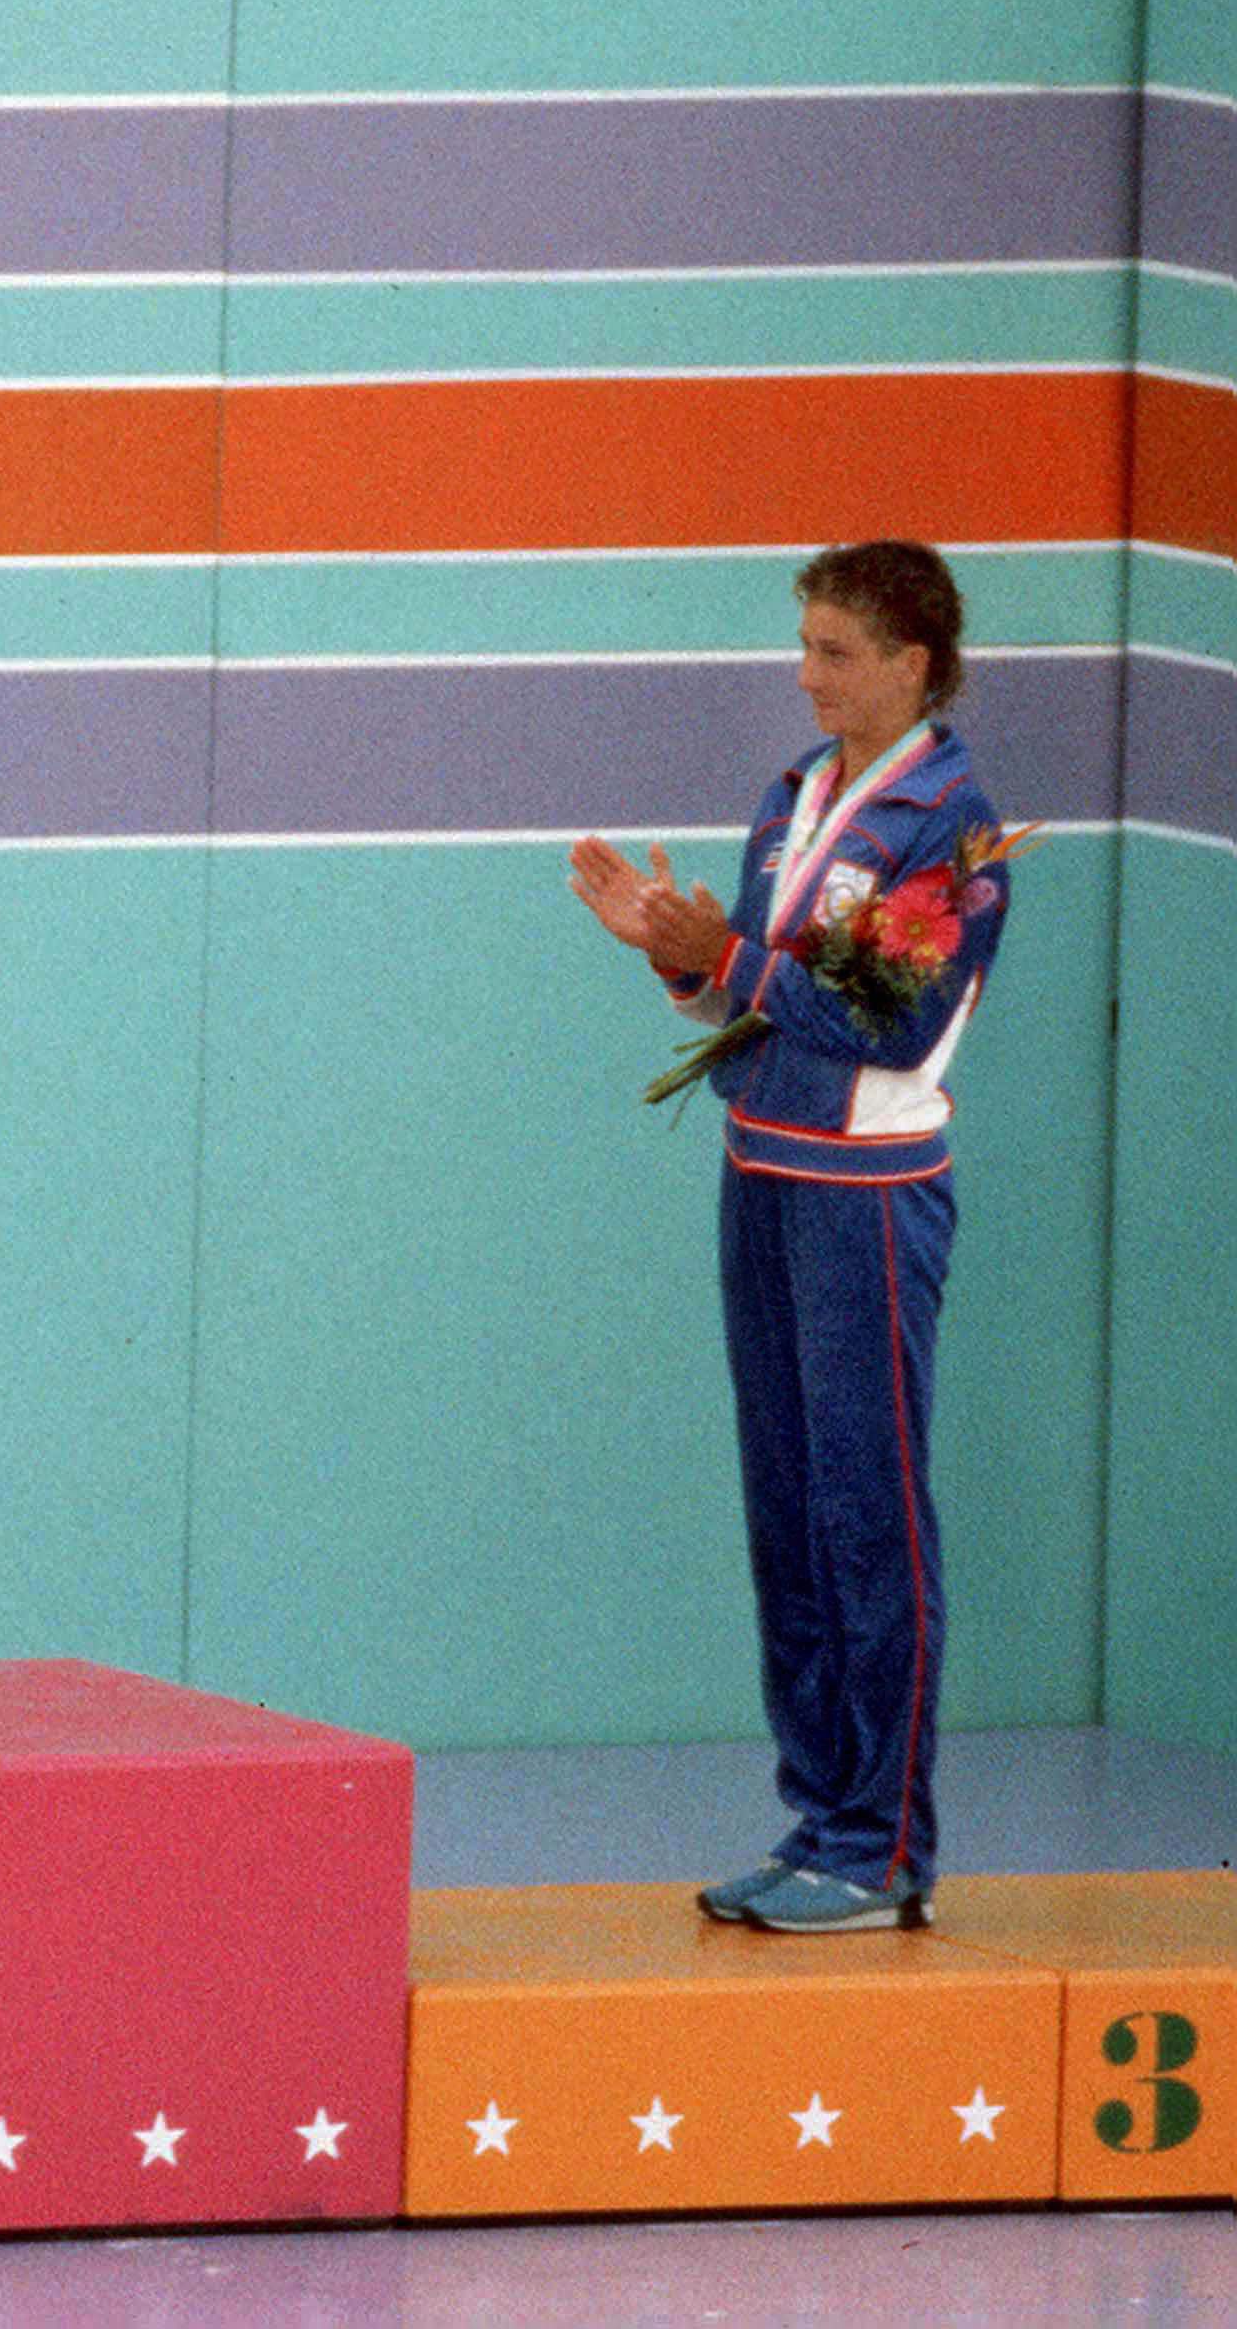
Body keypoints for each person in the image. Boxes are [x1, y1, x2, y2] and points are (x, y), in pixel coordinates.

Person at [569, 542, 1008, 1932]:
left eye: (835, 652)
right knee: (790, 1515)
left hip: (865, 1196)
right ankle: (819, 1820)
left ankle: (883, 1847)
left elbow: (895, 1021)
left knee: (867, 1514)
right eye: (805, 646)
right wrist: (676, 950)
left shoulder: (951, 826)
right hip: (758, 1171)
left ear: (913, 665)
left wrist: (731, 954)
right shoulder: (795, 796)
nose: (807, 675)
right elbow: (753, 1004)